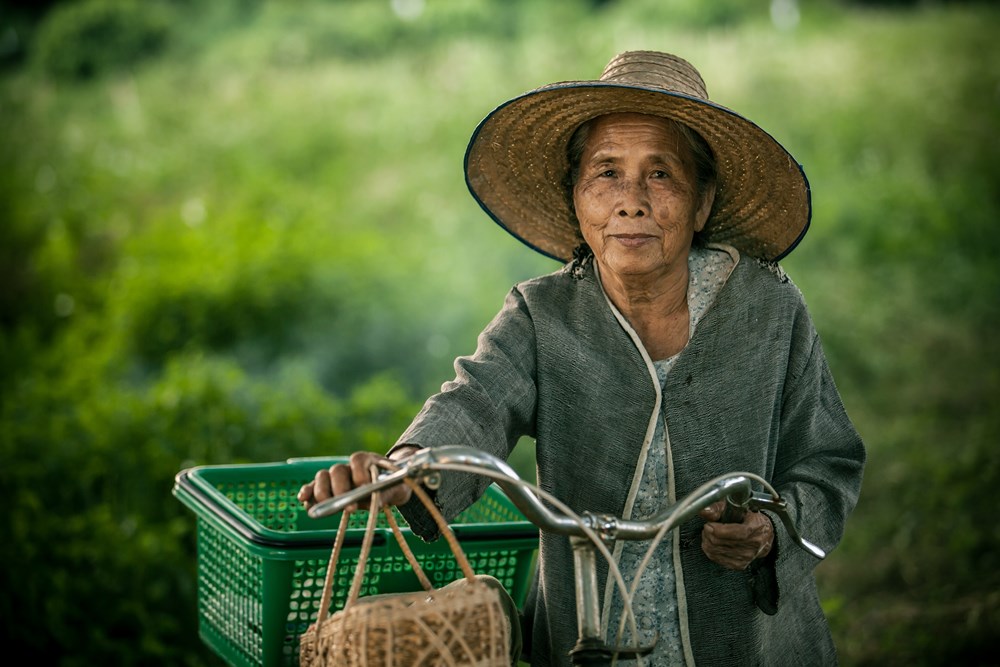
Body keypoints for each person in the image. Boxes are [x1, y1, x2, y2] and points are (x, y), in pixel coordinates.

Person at [298, 50, 865, 666]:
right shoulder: (541, 315)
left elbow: (828, 460)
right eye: (606, 173)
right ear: (576, 199)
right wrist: (406, 471)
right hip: (583, 632)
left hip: (751, 644)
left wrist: (771, 531)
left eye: (661, 175)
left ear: (702, 204)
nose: (631, 202)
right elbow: (475, 400)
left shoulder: (769, 309)